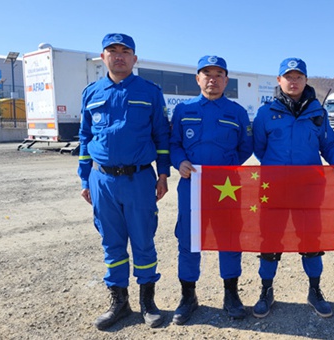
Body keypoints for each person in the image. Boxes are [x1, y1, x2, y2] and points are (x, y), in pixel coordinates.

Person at [77, 33, 170, 330]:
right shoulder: (91, 92)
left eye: (125, 51)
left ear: (134, 58)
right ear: (103, 57)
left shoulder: (150, 91)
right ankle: (119, 302)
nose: (119, 56)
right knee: (112, 243)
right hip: (102, 180)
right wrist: (84, 179)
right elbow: (85, 137)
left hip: (140, 179)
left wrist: (164, 174)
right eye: (112, 51)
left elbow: (162, 136)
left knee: (143, 241)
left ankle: (147, 302)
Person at [251, 57, 334, 318]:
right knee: (270, 239)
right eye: (288, 77)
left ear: (306, 80)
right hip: (273, 189)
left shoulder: (318, 113)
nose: (293, 81)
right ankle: (266, 290)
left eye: (298, 77)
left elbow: (328, 145)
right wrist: (280, 170)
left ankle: (315, 290)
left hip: (309, 188)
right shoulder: (265, 113)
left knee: (311, 240)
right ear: (279, 80)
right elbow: (260, 148)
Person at [169, 55, 254, 324]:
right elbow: (173, 143)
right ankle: (188, 296)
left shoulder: (237, 112)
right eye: (207, 74)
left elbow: (246, 146)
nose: (213, 79)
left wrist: (229, 167)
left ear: (226, 80)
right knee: (189, 240)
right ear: (198, 78)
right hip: (191, 186)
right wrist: (179, 161)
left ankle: (231, 295)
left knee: (229, 239)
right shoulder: (183, 110)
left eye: (219, 74)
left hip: (226, 187)